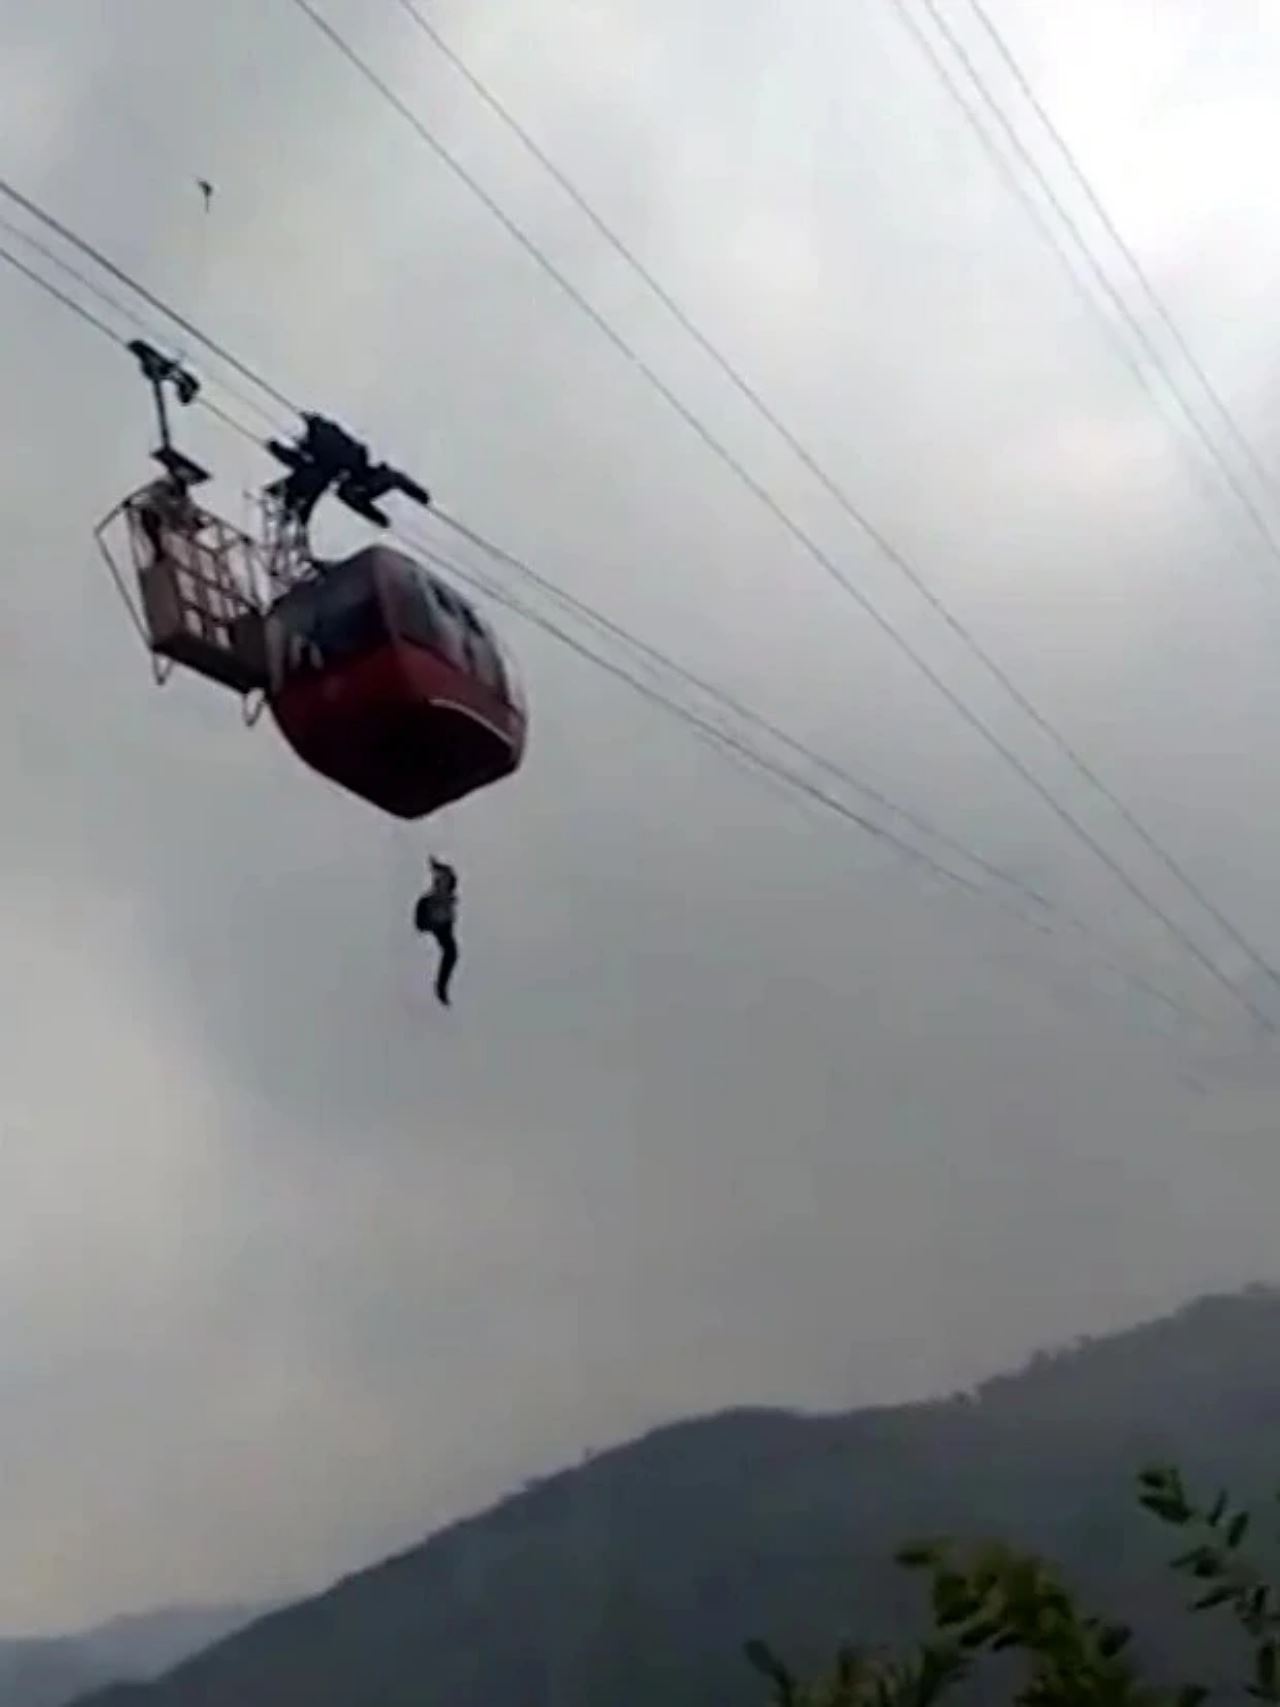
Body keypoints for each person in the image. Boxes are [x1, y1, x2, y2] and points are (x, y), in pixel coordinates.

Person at [415, 857, 459, 1006]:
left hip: (442, 923)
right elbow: (420, 925)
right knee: (451, 952)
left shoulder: (447, 891)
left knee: (451, 953)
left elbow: (448, 873)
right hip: (437, 923)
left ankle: (441, 988)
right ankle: (440, 988)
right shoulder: (427, 902)